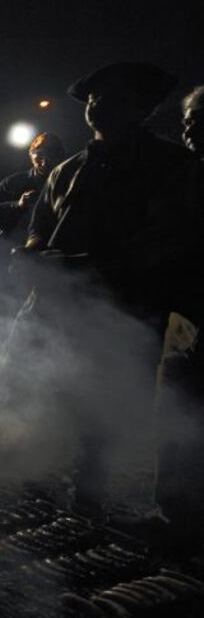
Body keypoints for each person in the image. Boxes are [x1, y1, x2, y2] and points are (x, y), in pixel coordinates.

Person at [22, 62, 202, 514]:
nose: (99, 105)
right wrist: (31, 252)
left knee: (107, 405)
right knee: (48, 391)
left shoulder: (173, 166)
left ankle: (94, 492)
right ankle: (40, 479)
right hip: (59, 304)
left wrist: (88, 265)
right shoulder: (64, 169)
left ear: (142, 107)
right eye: (95, 98)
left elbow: (168, 240)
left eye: (115, 98)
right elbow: (41, 225)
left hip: (128, 307)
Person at [153, 83, 204, 545]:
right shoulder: (182, 176)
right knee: (177, 409)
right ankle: (174, 515)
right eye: (189, 120)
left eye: (200, 119)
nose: (190, 129)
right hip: (183, 317)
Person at [0, 132, 66, 254]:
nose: (45, 162)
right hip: (12, 250)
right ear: (31, 156)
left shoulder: (71, 181)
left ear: (61, 156)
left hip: (56, 251)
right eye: (40, 156)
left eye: (50, 155)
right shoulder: (14, 182)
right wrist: (17, 205)